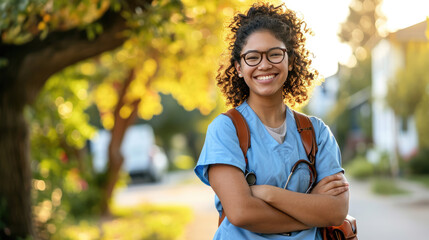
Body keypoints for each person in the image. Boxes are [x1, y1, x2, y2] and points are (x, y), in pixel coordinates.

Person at [194, 2, 350, 239]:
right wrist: (312, 207)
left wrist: (267, 193)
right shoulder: (226, 129)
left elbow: (336, 211)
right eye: (252, 57)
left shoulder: (316, 132)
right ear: (238, 67)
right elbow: (241, 213)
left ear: (290, 60)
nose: (264, 65)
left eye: (275, 54)